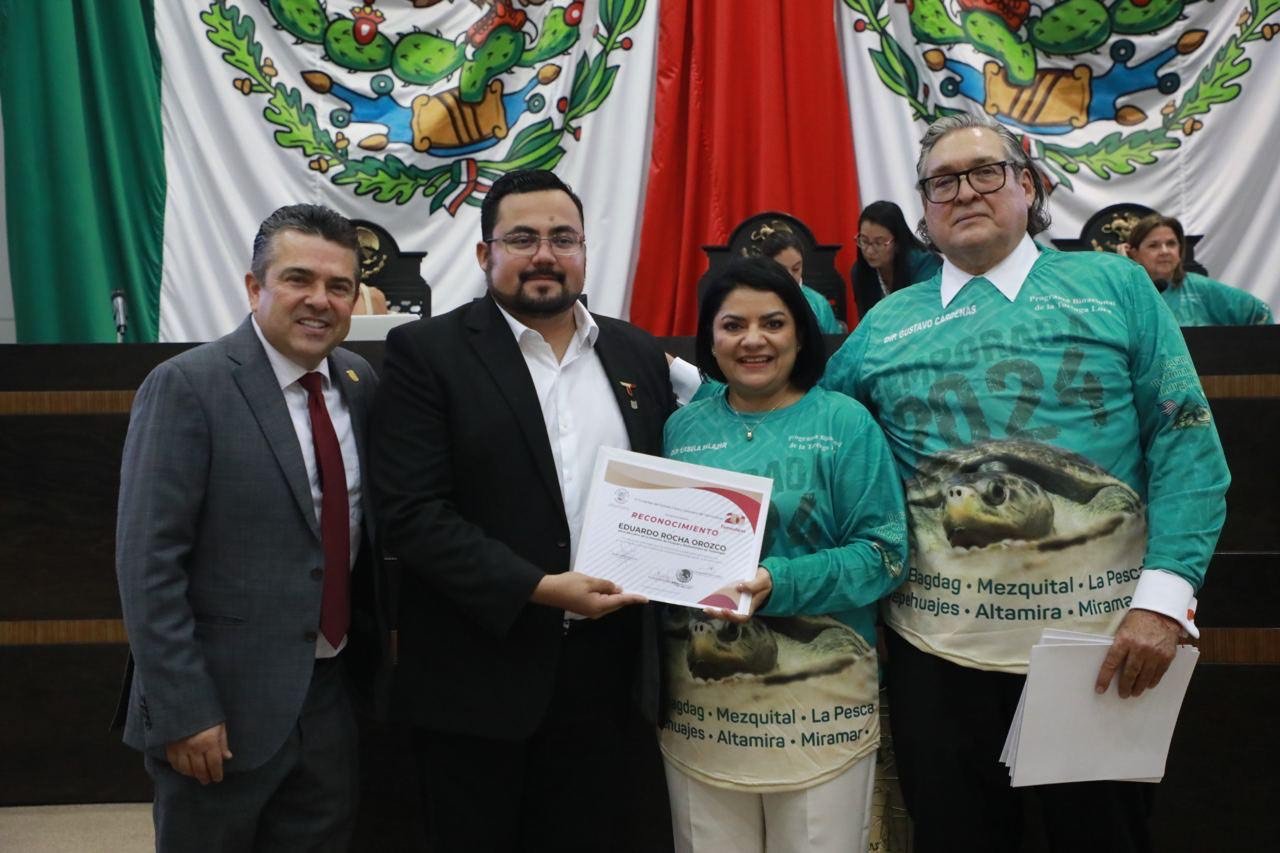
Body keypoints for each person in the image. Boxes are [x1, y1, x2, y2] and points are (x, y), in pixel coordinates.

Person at [822, 113, 1230, 853]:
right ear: (924, 210)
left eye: (987, 172)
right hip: (936, 654)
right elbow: (824, 443)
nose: (965, 192)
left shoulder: (1113, 285)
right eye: (942, 181)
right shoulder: (883, 325)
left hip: (1100, 643)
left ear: (1030, 186)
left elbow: (1186, 441)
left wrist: (1164, 603)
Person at [369, 169, 677, 852]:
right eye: (523, 239)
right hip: (477, 674)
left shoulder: (635, 352)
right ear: (486, 253)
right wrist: (539, 588)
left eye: (563, 238)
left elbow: (666, 486)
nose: (545, 255)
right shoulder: (427, 353)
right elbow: (412, 515)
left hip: (609, 674)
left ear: (584, 251)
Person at [114, 204, 383, 851]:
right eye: (298, 279)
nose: (319, 300)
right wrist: (184, 709)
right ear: (254, 287)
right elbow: (148, 566)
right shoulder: (187, 386)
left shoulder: (359, 382)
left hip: (331, 700)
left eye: (339, 286)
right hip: (218, 710)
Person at [660, 256, 908, 853]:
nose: (753, 340)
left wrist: (781, 580)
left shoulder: (844, 423)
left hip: (817, 706)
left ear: (800, 333)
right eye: (733, 325)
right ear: (709, 339)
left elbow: (885, 554)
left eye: (773, 323)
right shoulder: (681, 430)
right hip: (702, 707)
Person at [1124, 213, 1273, 326]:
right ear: (1134, 253)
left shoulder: (1200, 289)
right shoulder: (1125, 293)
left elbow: (1260, 313)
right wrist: (1123, 265)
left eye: (1171, 244)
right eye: (1153, 245)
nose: (1165, 251)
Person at [850, 200, 940, 316]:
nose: (869, 251)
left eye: (879, 243)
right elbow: (866, 320)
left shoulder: (925, 266)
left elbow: (926, 315)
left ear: (898, 242)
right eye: (864, 241)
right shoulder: (859, 271)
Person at [754, 227, 844, 333]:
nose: (790, 276)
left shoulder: (819, 304)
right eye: (782, 270)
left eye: (796, 269)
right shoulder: (752, 300)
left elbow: (832, 341)